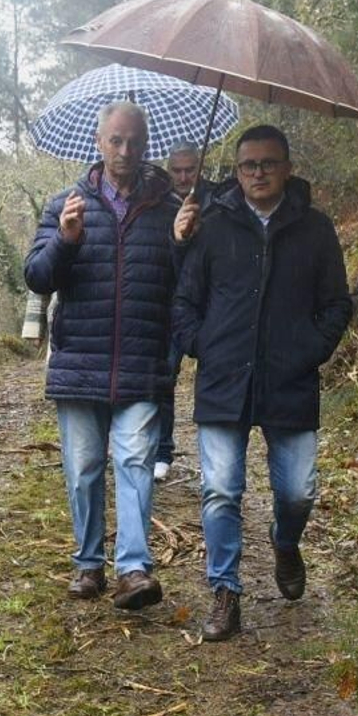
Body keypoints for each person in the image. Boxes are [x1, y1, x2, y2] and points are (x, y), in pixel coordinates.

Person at [171, 124, 352, 642]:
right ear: (236, 171)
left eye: (268, 163)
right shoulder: (213, 225)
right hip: (224, 381)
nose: (258, 173)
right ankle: (225, 591)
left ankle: (284, 540)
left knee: (297, 490)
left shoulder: (315, 229)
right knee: (220, 490)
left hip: (290, 382)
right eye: (248, 165)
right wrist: (202, 343)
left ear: (287, 168)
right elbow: (183, 301)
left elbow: (338, 303)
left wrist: (309, 350)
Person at [25, 101, 180, 610]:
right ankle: (88, 563)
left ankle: (133, 569)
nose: (125, 151)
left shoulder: (170, 208)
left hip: (143, 360)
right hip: (79, 363)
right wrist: (65, 242)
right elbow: (37, 278)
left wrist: (189, 240)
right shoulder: (64, 205)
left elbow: (188, 283)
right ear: (98, 142)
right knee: (85, 467)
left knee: (135, 461)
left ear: (146, 145)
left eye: (134, 141)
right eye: (115, 140)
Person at [153, 141, 213, 482]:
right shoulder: (158, 205)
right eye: (177, 170)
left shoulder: (216, 202)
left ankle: (214, 459)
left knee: (212, 381)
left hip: (207, 306)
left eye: (190, 169)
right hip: (167, 303)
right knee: (164, 379)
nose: (183, 176)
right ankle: (162, 450)